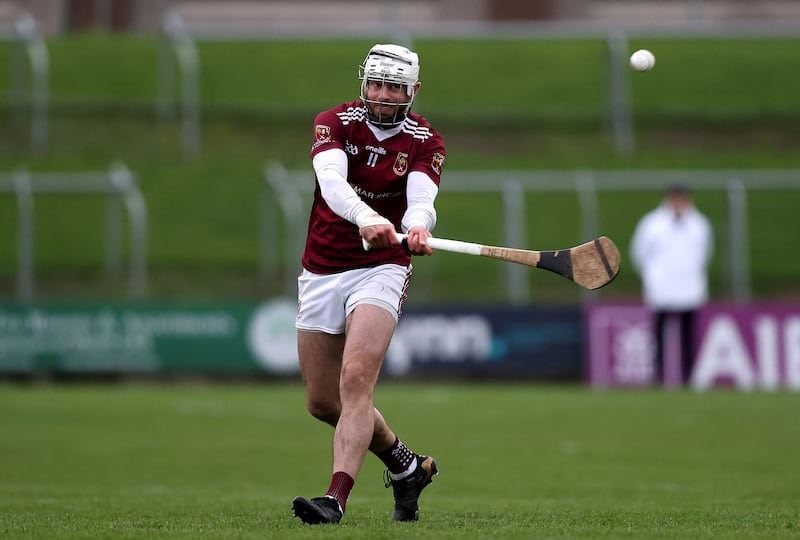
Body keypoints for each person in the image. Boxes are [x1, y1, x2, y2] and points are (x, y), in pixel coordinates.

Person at [291, 43, 445, 525]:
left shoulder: (425, 141)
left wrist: (416, 226)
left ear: (412, 91)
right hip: (323, 267)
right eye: (375, 83)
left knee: (356, 378)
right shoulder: (334, 122)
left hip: (383, 266)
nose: (381, 94)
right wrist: (366, 217)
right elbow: (332, 183)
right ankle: (406, 466)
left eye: (393, 87)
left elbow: (421, 200)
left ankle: (334, 499)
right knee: (323, 402)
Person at [630, 183, 713, 386]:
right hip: (662, 287)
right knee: (659, 335)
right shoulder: (652, 223)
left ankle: (688, 377)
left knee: (688, 335)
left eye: (682, 198)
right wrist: (652, 276)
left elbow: (705, 253)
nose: (678, 202)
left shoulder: (699, 224)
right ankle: (658, 376)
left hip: (689, 287)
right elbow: (639, 252)